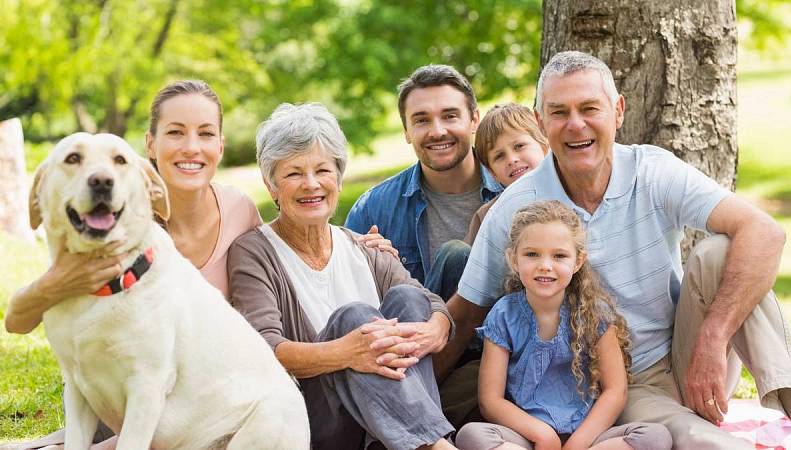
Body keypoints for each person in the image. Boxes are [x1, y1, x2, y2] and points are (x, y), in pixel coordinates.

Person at [440, 51, 791, 449]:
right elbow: (466, 310)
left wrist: (712, 340)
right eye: (559, 112)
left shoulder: (653, 171)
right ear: (541, 122)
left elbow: (766, 233)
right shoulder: (518, 207)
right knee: (700, 443)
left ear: (618, 110)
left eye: (589, 108)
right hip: (618, 387)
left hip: (687, 353)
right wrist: (411, 407)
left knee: (722, 251)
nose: (576, 124)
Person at [3, 80, 262, 449]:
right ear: (151, 144)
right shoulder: (112, 233)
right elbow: (16, 321)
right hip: (121, 408)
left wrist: (358, 241)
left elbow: (278, 256)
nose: (192, 147)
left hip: (196, 408)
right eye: (175, 133)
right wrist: (59, 283)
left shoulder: (240, 210)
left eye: (206, 134)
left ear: (220, 145)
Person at [227, 102, 456, 450]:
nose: (311, 184)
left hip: (381, 429)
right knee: (355, 318)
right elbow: (265, 350)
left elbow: (431, 304)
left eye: (322, 170)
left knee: (409, 300)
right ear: (271, 185)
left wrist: (435, 330)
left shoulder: (365, 248)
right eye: (293, 174)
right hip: (319, 423)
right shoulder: (254, 253)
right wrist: (346, 352)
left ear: (338, 176)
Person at [456, 201, 671, 450]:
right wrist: (543, 436)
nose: (545, 265)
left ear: (578, 261)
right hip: (527, 438)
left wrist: (576, 445)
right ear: (513, 259)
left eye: (559, 255)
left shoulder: (595, 314)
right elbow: (490, 401)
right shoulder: (504, 315)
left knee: (654, 437)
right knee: (471, 436)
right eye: (532, 254)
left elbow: (615, 392)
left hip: (587, 436)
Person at [345, 64, 503, 302]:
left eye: (450, 116)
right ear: (406, 131)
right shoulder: (373, 210)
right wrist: (374, 269)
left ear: (474, 120)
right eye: (422, 120)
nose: (437, 132)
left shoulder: (513, 191)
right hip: (419, 334)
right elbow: (349, 296)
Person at [464, 103, 548, 245]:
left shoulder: (573, 194)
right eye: (499, 156)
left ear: (544, 145)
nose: (512, 159)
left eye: (519, 146)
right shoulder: (488, 215)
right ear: (492, 173)